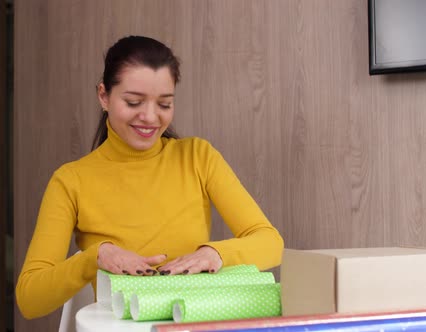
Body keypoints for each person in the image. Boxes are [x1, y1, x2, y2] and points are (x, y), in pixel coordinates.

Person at [16, 35, 284, 319]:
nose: (150, 117)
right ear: (103, 96)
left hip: (190, 323)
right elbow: (30, 298)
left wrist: (214, 253)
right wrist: (94, 258)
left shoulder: (197, 157)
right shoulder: (71, 181)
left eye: (164, 104)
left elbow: (270, 243)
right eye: (133, 102)